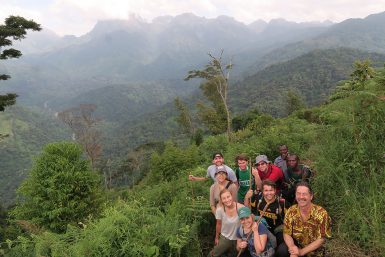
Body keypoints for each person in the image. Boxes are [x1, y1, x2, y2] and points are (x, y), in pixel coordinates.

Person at [277, 182, 331, 257]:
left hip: (314, 250)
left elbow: (321, 239)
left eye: (304, 194)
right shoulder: (291, 211)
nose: (301, 197)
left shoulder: (321, 214)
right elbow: (286, 233)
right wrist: (292, 248)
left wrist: (301, 252)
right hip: (297, 246)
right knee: (282, 250)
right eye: (298, 194)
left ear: (311, 196)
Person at [244, 180, 289, 252]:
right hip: (261, 227)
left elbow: (290, 219)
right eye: (266, 190)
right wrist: (246, 198)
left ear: (275, 191)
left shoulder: (282, 203)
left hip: (277, 229)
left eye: (271, 190)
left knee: (281, 248)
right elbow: (247, 211)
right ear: (262, 191)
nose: (269, 193)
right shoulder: (258, 199)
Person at [209, 189, 244, 257]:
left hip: (238, 239)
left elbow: (248, 218)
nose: (227, 200)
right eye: (224, 198)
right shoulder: (220, 210)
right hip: (225, 237)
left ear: (232, 196)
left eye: (228, 197)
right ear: (221, 200)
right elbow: (218, 224)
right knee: (214, 254)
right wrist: (217, 237)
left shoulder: (240, 208)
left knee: (234, 255)